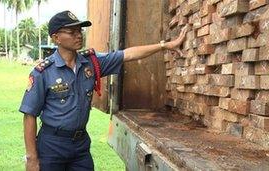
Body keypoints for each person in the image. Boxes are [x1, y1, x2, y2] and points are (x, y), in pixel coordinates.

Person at [19, 10, 187, 171]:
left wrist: (165, 45)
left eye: (80, 30)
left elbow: (128, 55)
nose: (79, 35)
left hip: (80, 146)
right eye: (72, 31)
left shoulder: (91, 62)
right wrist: (32, 158)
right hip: (51, 145)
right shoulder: (43, 72)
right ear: (56, 38)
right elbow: (29, 115)